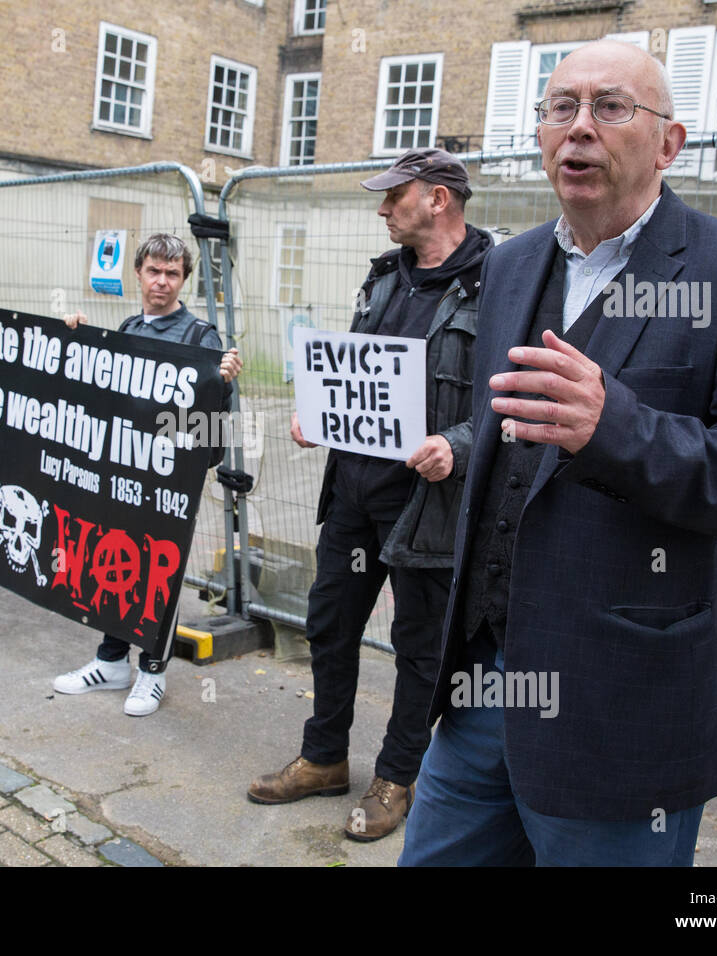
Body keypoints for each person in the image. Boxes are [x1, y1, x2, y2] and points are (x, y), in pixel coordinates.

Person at [398, 40, 717, 866]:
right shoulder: (511, 265)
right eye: (561, 108)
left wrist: (618, 430)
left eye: (610, 107)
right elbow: (506, 444)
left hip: (620, 711)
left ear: (669, 143)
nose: (579, 129)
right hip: (481, 689)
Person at [248, 148, 493, 842]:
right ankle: (324, 757)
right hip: (354, 491)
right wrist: (316, 414)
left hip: (426, 503)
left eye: (395, 196)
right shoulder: (383, 277)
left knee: (419, 644)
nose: (382, 208)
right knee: (329, 624)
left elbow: (506, 400)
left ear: (439, 199)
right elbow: (355, 377)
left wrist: (461, 445)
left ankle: (398, 776)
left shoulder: (496, 281)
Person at [51, 233, 242, 717]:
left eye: (172, 273)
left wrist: (220, 386)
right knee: (112, 560)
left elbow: (213, 432)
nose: (162, 281)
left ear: (184, 280)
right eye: (154, 271)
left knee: (159, 572)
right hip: (122, 473)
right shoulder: (129, 325)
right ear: (137, 273)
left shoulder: (203, 339)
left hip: (168, 485)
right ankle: (111, 661)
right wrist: (77, 340)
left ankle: (152, 672)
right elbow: (105, 396)